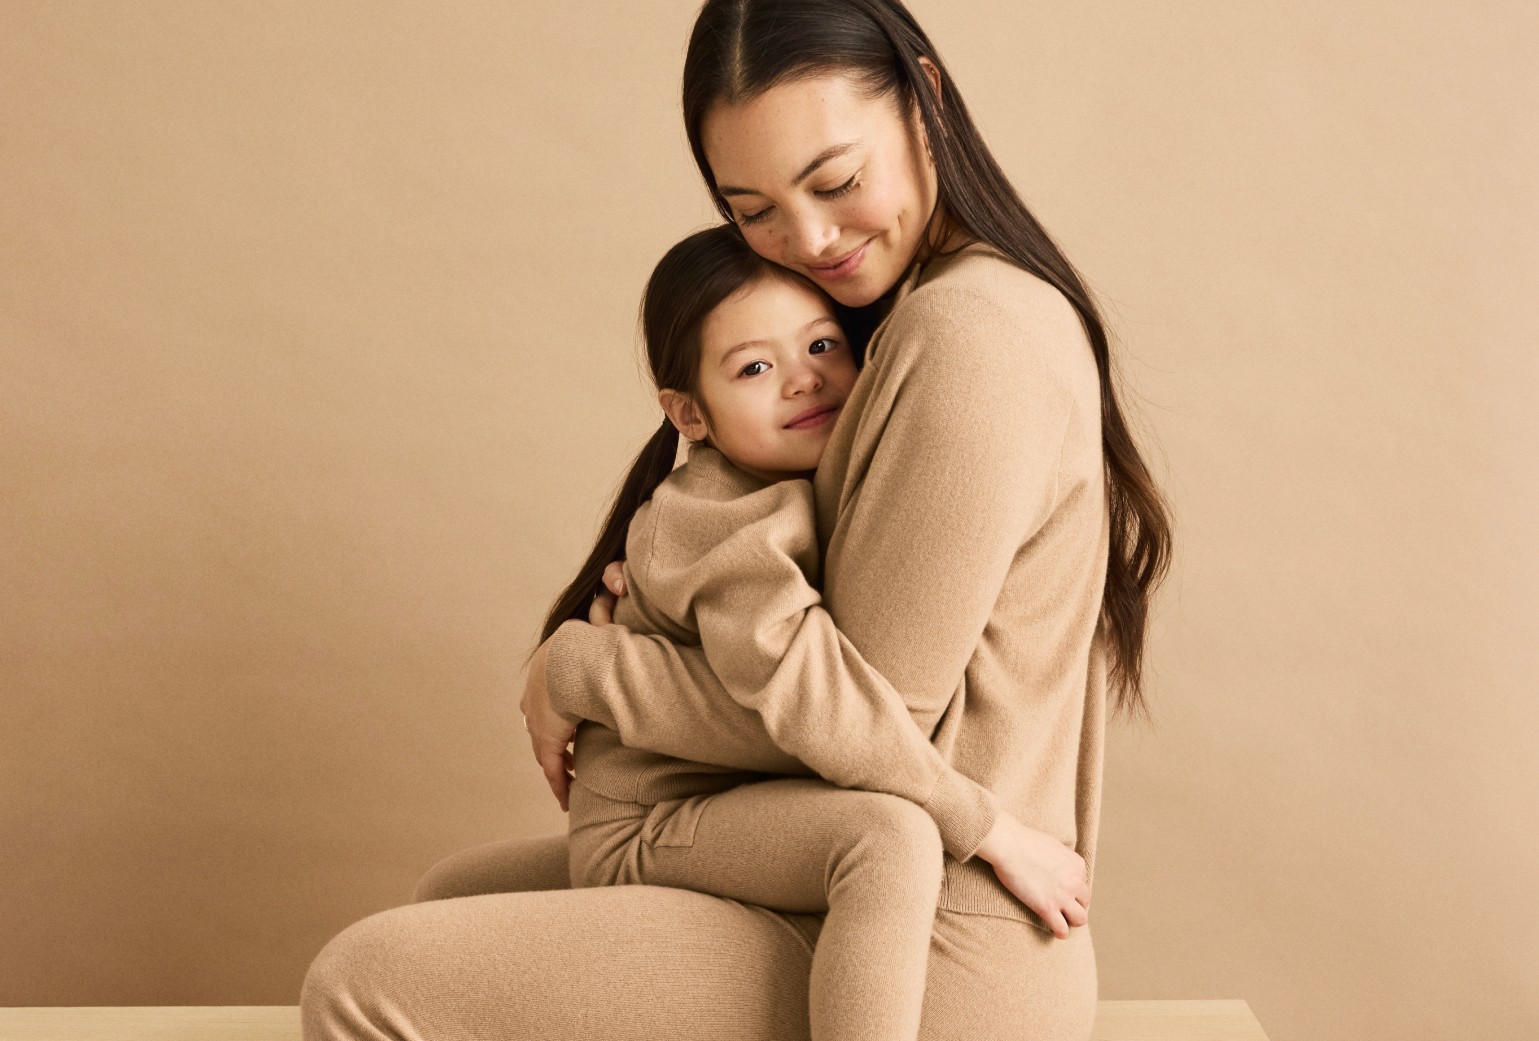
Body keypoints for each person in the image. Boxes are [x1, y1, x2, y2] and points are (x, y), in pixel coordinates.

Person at [300, 1, 1171, 1039]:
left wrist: (584, 671)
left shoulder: (966, 334)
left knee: (366, 977)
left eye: (835, 182)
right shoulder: (906, 315)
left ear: (925, 99)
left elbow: (863, 711)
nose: (808, 241)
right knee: (449, 900)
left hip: (932, 942)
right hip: (852, 878)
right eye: (753, 209)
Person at [543, 222, 1090, 1041]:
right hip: (650, 825)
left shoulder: (793, 489)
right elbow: (815, 698)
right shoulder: (722, 519)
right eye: (754, 368)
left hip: (726, 809)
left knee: (452, 896)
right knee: (889, 839)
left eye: (822, 344)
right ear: (688, 413)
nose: (804, 378)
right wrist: (991, 829)